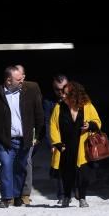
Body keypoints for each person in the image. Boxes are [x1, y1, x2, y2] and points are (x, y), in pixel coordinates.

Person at [0, 65, 44, 208]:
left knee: (21, 168)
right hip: (3, 140)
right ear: (9, 81)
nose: (22, 81)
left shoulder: (29, 92)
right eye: (18, 79)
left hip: (24, 139)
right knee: (6, 165)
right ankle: (6, 197)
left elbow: (38, 114)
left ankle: (16, 195)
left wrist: (39, 135)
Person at [50, 80, 101, 208]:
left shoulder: (87, 106)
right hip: (65, 146)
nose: (63, 95)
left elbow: (97, 122)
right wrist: (57, 143)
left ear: (75, 95)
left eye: (66, 94)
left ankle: (82, 197)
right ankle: (67, 196)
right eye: (62, 93)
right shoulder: (59, 107)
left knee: (84, 174)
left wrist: (90, 125)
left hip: (83, 146)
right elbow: (53, 125)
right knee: (66, 173)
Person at [15, 64, 43, 205]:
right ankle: (13, 193)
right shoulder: (6, 88)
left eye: (19, 76)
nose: (17, 79)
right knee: (11, 162)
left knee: (26, 161)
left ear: (24, 76)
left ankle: (25, 193)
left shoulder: (32, 87)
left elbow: (38, 111)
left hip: (28, 130)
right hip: (12, 131)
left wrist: (38, 133)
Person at [43, 73, 69, 203]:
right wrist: (51, 143)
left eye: (63, 88)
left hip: (73, 136)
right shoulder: (48, 101)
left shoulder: (75, 98)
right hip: (57, 137)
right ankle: (62, 195)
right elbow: (47, 122)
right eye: (57, 89)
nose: (60, 92)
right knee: (58, 166)